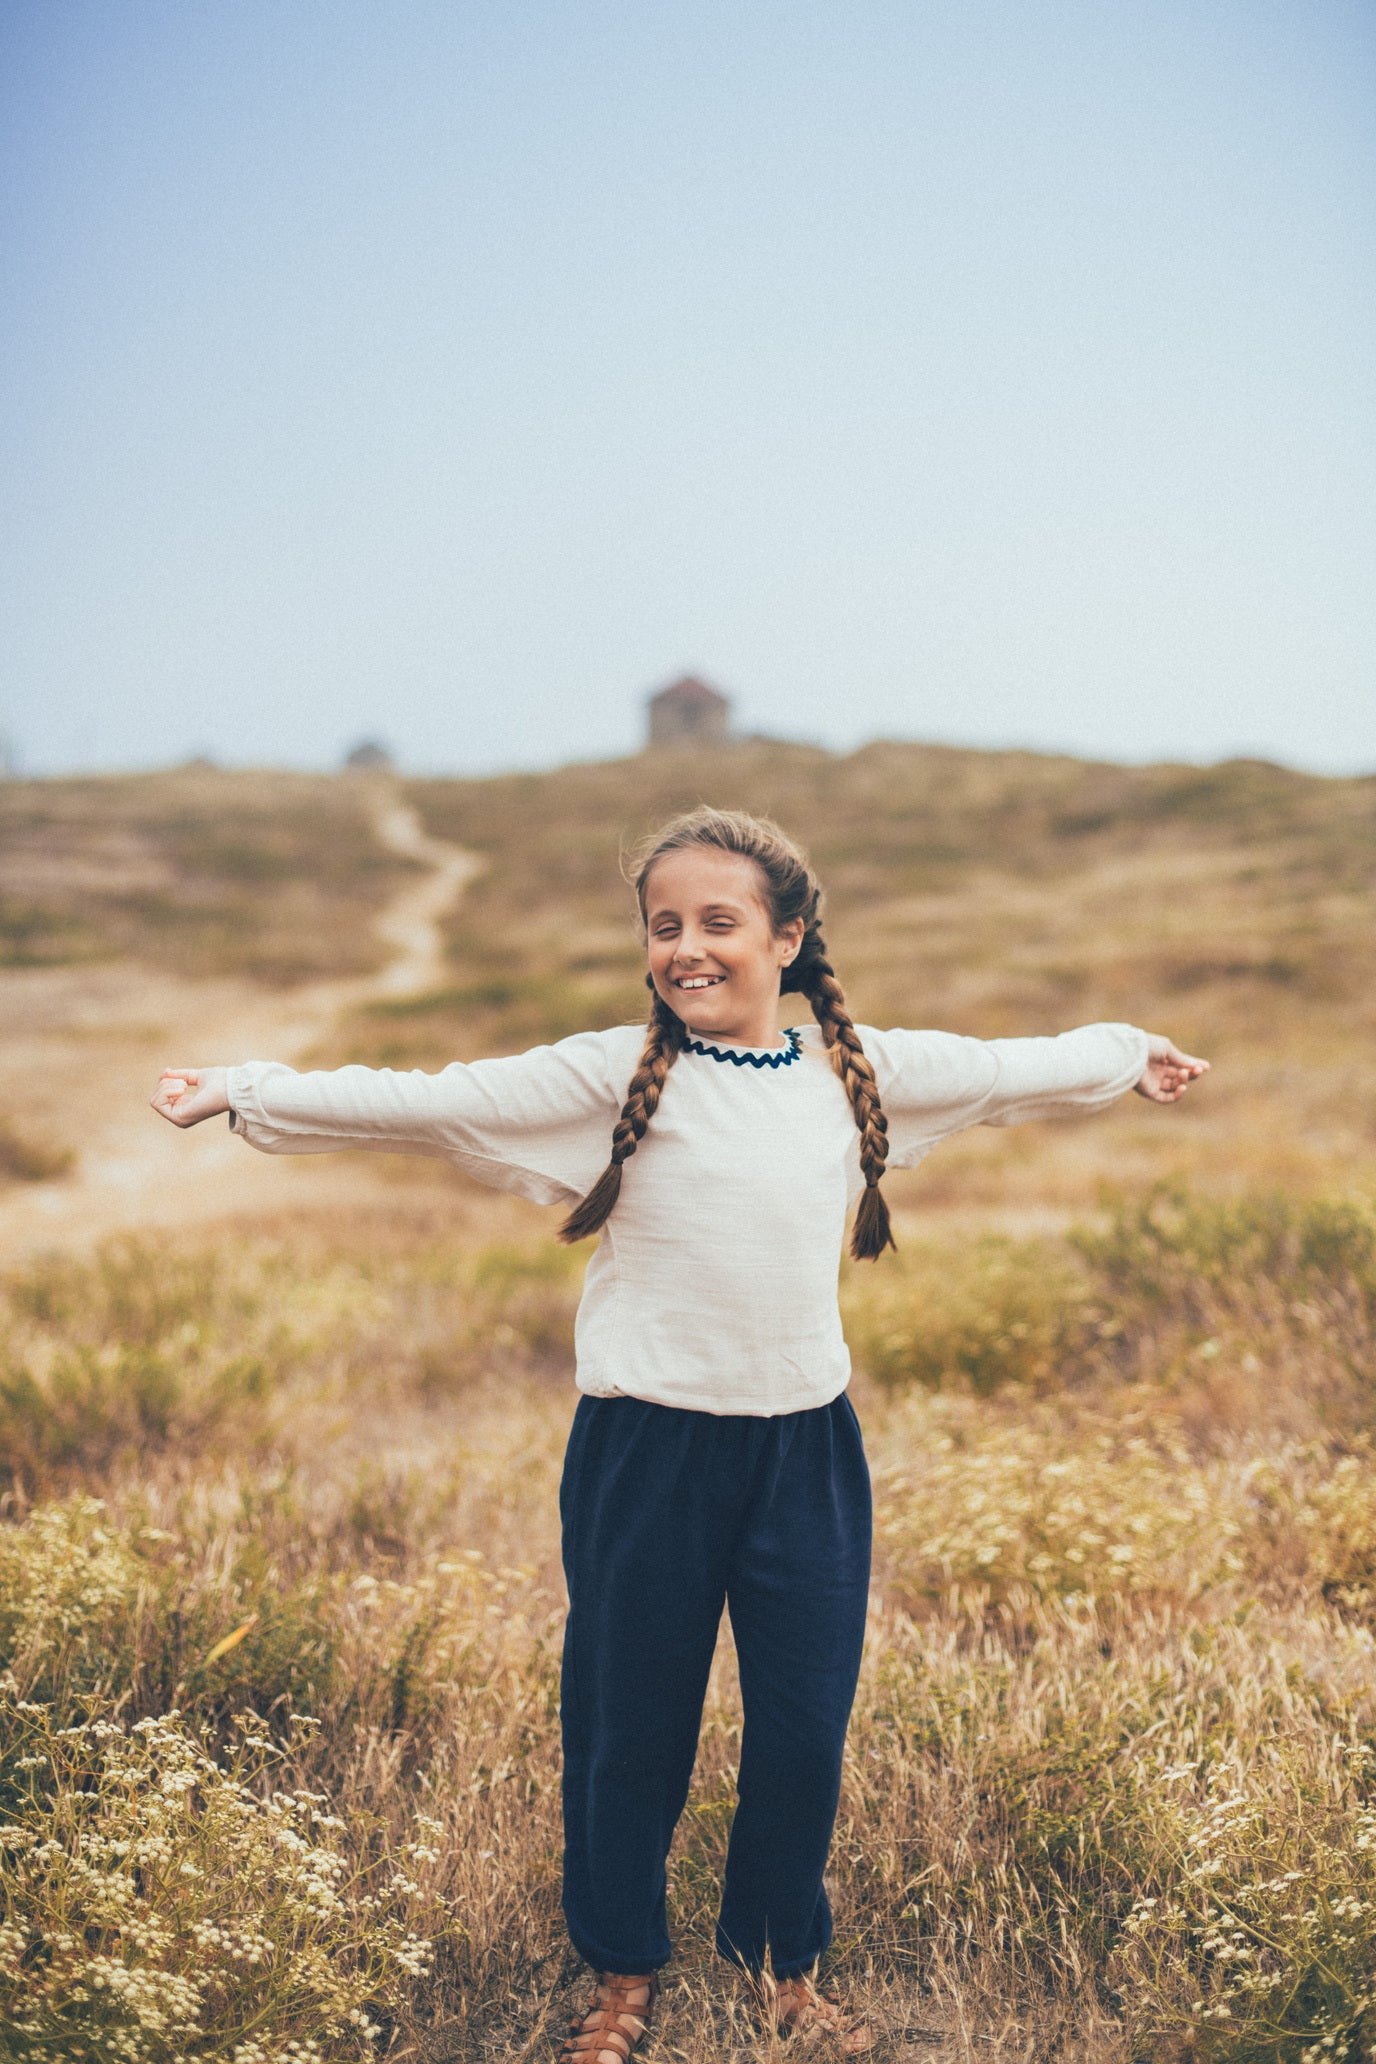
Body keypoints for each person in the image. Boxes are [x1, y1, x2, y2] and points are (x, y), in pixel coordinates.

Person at [152, 806, 1207, 2060]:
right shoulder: (610, 1075)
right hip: (644, 1451)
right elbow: (426, 1102)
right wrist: (241, 1090)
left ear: (788, 936)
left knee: (804, 1724)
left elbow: (1006, 1066)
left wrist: (1125, 1051)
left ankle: (780, 1970)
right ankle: (618, 1976)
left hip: (803, 1452)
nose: (687, 949)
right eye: (665, 926)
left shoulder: (852, 1068)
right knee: (626, 1719)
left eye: (718, 922)